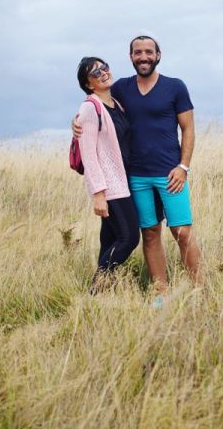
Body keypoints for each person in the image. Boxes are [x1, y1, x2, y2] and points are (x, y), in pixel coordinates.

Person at [73, 36, 202, 299]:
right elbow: (95, 107)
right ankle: (161, 293)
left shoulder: (175, 87)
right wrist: (74, 124)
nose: (143, 57)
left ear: (158, 55)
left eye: (148, 52)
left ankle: (200, 290)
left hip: (171, 175)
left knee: (183, 233)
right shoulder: (121, 88)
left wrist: (183, 166)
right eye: (137, 52)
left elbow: (188, 129)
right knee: (150, 233)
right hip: (136, 177)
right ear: (131, 57)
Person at [75, 56, 139, 294]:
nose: (103, 73)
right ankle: (95, 289)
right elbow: (88, 154)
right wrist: (98, 194)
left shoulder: (117, 104)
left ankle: (102, 296)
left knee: (110, 239)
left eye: (105, 67)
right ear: (89, 84)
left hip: (123, 181)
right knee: (129, 238)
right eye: (95, 73)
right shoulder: (90, 107)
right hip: (111, 186)